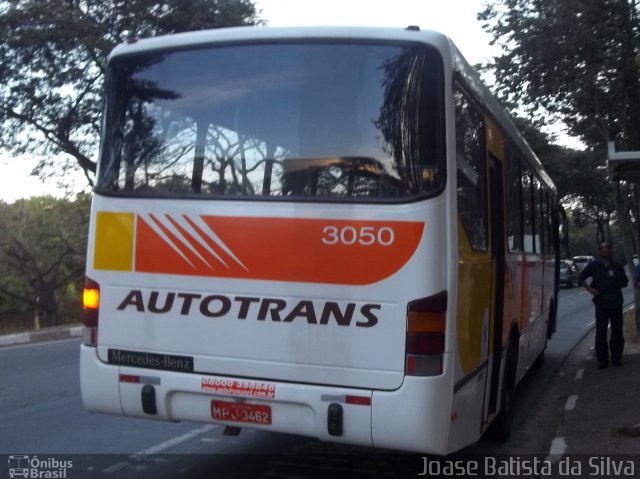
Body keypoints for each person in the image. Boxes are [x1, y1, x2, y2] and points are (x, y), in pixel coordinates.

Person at [577, 242, 628, 369]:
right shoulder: (594, 266)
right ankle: (602, 360)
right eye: (602, 248)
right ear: (599, 251)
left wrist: (615, 286)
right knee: (601, 332)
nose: (605, 250)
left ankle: (616, 357)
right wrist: (590, 289)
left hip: (616, 303)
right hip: (601, 304)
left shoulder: (617, 266)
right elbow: (580, 278)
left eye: (607, 248)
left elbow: (625, 282)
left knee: (617, 332)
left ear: (610, 250)